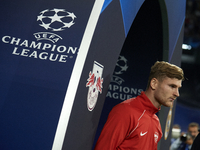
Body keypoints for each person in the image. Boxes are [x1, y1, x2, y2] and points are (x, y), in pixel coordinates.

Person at [94, 61, 184, 150]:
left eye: (178, 88)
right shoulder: (125, 111)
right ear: (154, 83)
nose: (177, 93)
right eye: (172, 86)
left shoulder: (156, 122)